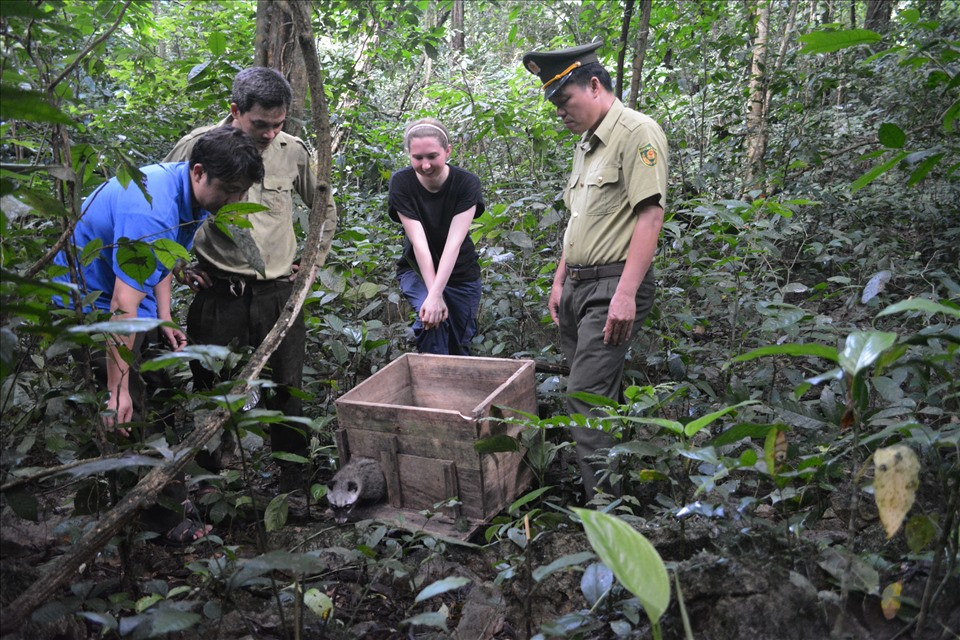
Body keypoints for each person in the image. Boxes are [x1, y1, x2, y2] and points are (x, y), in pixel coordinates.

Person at [53, 126, 265, 543]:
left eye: (242, 192)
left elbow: (163, 258)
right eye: (230, 190)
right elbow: (122, 305)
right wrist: (117, 389)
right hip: (94, 308)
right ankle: (160, 522)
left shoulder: (186, 192)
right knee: (132, 414)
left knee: (164, 400)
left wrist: (166, 319)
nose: (234, 201)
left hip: (134, 304)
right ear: (199, 171)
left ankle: (173, 493)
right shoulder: (150, 208)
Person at [164, 67, 338, 493]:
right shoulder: (197, 146)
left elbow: (323, 207)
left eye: (278, 124)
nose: (269, 134)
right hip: (218, 292)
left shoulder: (292, 151)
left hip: (279, 292)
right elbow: (163, 205)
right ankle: (208, 483)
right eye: (260, 124)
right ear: (235, 111)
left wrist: (311, 264)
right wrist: (177, 265)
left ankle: (294, 483)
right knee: (211, 386)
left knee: (287, 388)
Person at [523, 42, 668, 500]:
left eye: (564, 101)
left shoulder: (637, 132)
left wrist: (626, 294)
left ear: (594, 85)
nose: (560, 113)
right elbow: (580, 217)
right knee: (600, 394)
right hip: (579, 287)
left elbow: (650, 215)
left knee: (585, 397)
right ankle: (625, 486)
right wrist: (559, 279)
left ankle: (606, 513)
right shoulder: (586, 145)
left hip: (613, 285)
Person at [387, 118, 485, 355]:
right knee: (431, 321)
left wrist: (437, 294)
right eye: (417, 158)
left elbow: (454, 244)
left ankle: (458, 387)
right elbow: (419, 244)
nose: (426, 165)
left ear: (447, 151)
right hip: (417, 271)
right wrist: (433, 296)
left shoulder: (466, 183)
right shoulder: (401, 182)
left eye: (432, 156)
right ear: (409, 155)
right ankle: (431, 388)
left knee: (459, 342)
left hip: (461, 273)